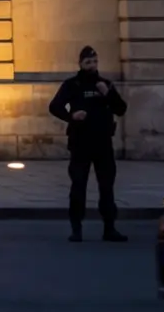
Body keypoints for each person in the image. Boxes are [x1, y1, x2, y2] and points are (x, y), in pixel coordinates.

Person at [48, 44, 128, 242]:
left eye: (95, 61)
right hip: (80, 142)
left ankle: (109, 228)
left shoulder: (105, 84)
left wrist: (107, 93)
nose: (92, 65)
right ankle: (76, 229)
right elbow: (55, 106)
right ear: (81, 64)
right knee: (78, 186)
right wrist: (72, 116)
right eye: (88, 62)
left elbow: (121, 109)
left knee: (107, 186)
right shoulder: (72, 85)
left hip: (103, 143)